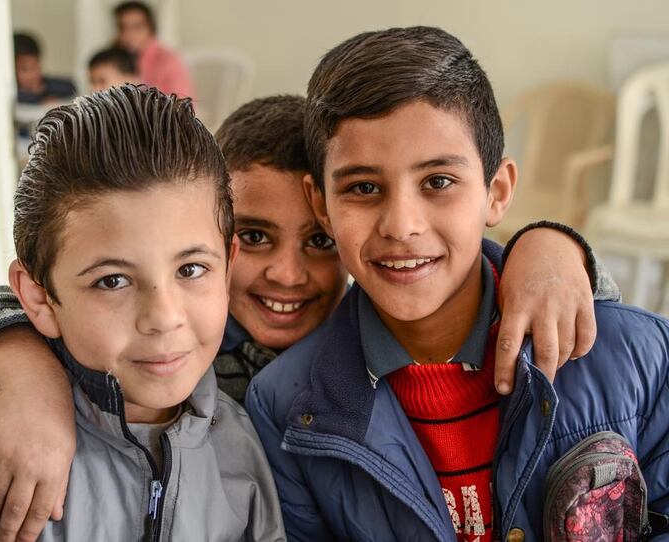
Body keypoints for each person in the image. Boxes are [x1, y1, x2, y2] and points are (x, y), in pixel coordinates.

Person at [0, 91, 615, 541]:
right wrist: (25, 375)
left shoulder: (367, 334)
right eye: (255, 238)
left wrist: (548, 246)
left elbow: (542, 303)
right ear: (219, 237)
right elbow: (14, 303)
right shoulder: (171, 335)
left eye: (319, 243)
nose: (287, 274)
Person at [245, 26, 669, 541]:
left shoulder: (635, 355)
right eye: (363, 188)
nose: (401, 226)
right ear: (322, 207)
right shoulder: (284, 409)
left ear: (497, 191)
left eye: (438, 182)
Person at [0, 85, 285, 541]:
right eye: (113, 281)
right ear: (39, 298)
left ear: (227, 268)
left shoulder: (243, 451)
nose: (164, 317)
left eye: (191, 269)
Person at [114, 1, 194, 98]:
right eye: (123, 27)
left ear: (150, 27)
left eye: (137, 27)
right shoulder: (115, 57)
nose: (129, 33)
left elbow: (182, 101)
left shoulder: (169, 59)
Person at [13, 33, 75, 105]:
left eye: (36, 66)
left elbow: (70, 86)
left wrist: (42, 90)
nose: (33, 74)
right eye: (25, 69)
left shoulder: (46, 84)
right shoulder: (11, 94)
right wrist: (39, 98)